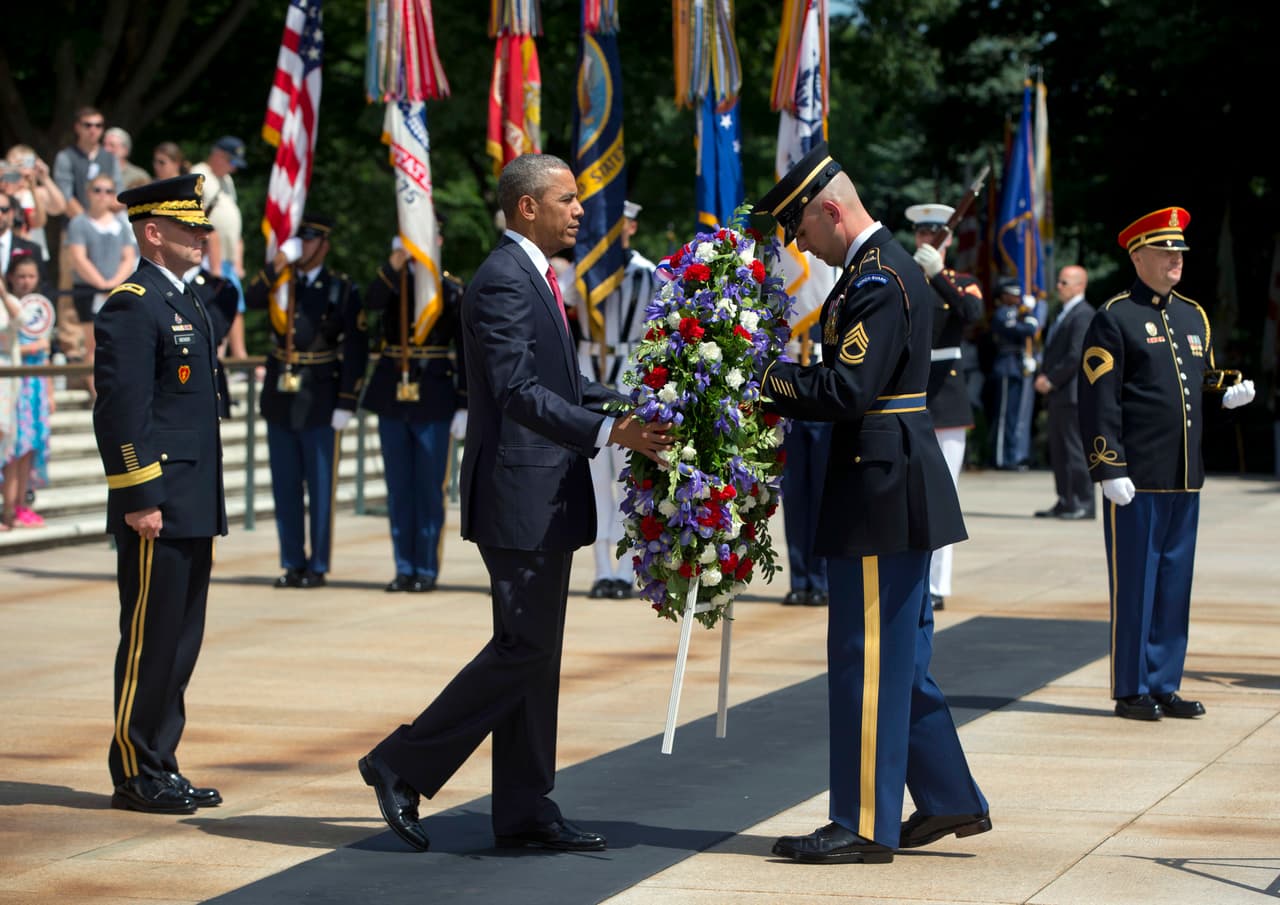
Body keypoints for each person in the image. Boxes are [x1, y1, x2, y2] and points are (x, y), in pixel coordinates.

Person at [358, 153, 672, 854]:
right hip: (518, 490)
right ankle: (401, 761)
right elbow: (515, 391)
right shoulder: (502, 279)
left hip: (545, 490)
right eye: (567, 199)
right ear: (526, 206)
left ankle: (526, 806)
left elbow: (561, 379)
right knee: (523, 646)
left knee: (536, 652)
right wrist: (609, 430)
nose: (580, 210)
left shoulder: (536, 275)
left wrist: (633, 400)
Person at [751, 141, 990, 864]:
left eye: (803, 230)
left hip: (879, 483)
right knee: (903, 658)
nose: (802, 246)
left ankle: (860, 822)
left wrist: (766, 381)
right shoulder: (880, 270)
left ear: (830, 210)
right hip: (894, 476)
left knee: (868, 658)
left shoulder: (877, 279)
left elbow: (849, 391)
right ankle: (948, 797)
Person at [92, 173, 237, 813]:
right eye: (190, 228)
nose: (202, 237)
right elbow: (122, 412)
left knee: (180, 642)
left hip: (194, 498)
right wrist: (139, 493)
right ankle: (134, 769)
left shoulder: (189, 299)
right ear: (154, 233)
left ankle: (162, 762)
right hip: (157, 502)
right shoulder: (132, 302)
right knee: (150, 640)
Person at [1079, 206, 1254, 721]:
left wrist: (1225, 395)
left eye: (1179, 251)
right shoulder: (1114, 316)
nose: (1176, 259)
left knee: (1174, 585)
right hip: (1137, 477)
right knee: (1135, 585)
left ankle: (1164, 681)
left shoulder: (1192, 315)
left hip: (1184, 476)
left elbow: (1196, 379)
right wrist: (1108, 466)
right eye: (1165, 251)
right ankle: (1131, 688)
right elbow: (1099, 399)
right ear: (1138, 256)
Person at [245, 215, 367, 589]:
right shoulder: (280, 283)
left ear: (324, 244)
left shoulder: (340, 289)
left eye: (311, 240)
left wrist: (347, 400)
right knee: (285, 487)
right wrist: (277, 264)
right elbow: (246, 300)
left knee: (320, 487)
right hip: (281, 399)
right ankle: (292, 561)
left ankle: (318, 564)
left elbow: (357, 348)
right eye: (300, 239)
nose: (304, 245)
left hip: (320, 397)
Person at [361, 227, 466, 593]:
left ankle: (425, 567)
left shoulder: (449, 289)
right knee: (399, 489)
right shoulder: (392, 283)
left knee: (428, 489)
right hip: (393, 394)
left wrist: (464, 403)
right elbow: (369, 304)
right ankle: (403, 567)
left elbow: (465, 351)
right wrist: (392, 267)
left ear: (439, 240)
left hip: (435, 396)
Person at [565, 199, 657, 599]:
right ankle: (602, 568)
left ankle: (625, 568)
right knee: (594, 476)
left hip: (629, 369)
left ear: (631, 228)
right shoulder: (582, 272)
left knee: (627, 476)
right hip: (590, 366)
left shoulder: (647, 273)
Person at [908, 202, 984, 609]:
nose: (927, 239)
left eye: (935, 233)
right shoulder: (903, 277)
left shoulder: (960, 280)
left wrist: (937, 275)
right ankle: (912, 578)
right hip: (909, 392)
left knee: (944, 494)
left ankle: (937, 585)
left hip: (947, 398)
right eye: (922, 233)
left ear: (948, 239)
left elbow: (972, 312)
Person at [66, 173, 138, 391]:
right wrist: (101, 284)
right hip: (89, 290)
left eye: (108, 191)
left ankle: (115, 386)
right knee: (93, 343)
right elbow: (79, 258)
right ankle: (96, 390)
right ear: (88, 193)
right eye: (97, 190)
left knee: (118, 339)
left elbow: (129, 257)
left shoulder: (121, 224)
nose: (102, 195)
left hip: (115, 289)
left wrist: (114, 284)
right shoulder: (79, 222)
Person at [1034, 265, 1095, 519]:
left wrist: (1051, 380)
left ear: (1080, 285)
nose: (1058, 286)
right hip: (1061, 395)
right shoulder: (1065, 313)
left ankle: (1083, 502)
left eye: (1064, 282)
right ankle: (1065, 499)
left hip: (1072, 393)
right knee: (1059, 450)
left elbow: (1075, 354)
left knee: (1074, 449)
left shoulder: (1083, 314)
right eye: (1059, 282)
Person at [779, 323, 833, 607]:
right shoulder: (793, 283)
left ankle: (821, 580)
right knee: (795, 494)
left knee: (823, 496)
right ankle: (799, 580)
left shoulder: (837, 287)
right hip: (792, 399)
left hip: (824, 395)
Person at [2, 255, 53, 529]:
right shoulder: (8, 306)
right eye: (20, 276)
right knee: (15, 449)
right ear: (11, 277)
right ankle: (8, 508)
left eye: (31, 276)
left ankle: (22, 504)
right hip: (12, 384)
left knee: (31, 447)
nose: (26, 281)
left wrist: (51, 394)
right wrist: (32, 348)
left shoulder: (41, 308)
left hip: (35, 385)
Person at [190, 136, 248, 360]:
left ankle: (238, 354)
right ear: (218, 155)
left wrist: (238, 259)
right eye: (231, 162)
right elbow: (198, 217)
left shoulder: (226, 181)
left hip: (227, 256)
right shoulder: (200, 174)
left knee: (235, 304)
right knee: (214, 305)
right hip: (208, 256)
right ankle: (221, 356)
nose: (233, 168)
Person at [988, 278, 1040, 470]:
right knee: (1003, 417)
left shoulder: (1017, 313)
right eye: (1013, 294)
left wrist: (1029, 314)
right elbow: (1023, 329)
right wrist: (1028, 316)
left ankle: (1011, 456)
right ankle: (1001, 458)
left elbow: (1030, 328)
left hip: (1016, 365)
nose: (1017, 297)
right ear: (1003, 296)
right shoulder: (1002, 313)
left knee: (1012, 416)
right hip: (1006, 367)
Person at [3, 145, 67, 265]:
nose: (21, 170)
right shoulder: (4, 195)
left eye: (25, 164)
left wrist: (45, 178)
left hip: (36, 253)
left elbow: (60, 207)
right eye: (16, 165)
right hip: (9, 253)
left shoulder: (38, 192)